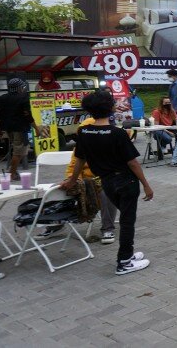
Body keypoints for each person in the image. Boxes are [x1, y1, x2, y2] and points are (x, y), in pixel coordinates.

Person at [64, 90, 153, 275]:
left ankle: (127, 255)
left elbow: (80, 159)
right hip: (125, 180)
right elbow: (132, 162)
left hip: (106, 182)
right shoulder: (117, 133)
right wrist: (146, 184)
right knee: (128, 221)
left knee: (126, 217)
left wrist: (72, 180)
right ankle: (124, 261)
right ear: (109, 108)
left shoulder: (84, 131)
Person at [37, 116, 120, 243]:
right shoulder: (80, 147)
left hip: (105, 181)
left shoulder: (110, 145)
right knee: (56, 189)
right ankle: (54, 225)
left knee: (107, 191)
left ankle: (107, 229)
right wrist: (76, 181)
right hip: (83, 182)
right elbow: (72, 169)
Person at [0, 78, 43, 181]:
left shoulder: (3, 98)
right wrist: (36, 129)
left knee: (17, 150)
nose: (23, 88)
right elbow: (28, 115)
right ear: (18, 88)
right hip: (20, 128)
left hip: (8, 129)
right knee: (19, 152)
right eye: (22, 87)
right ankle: (12, 173)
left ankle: (13, 171)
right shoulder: (23, 98)